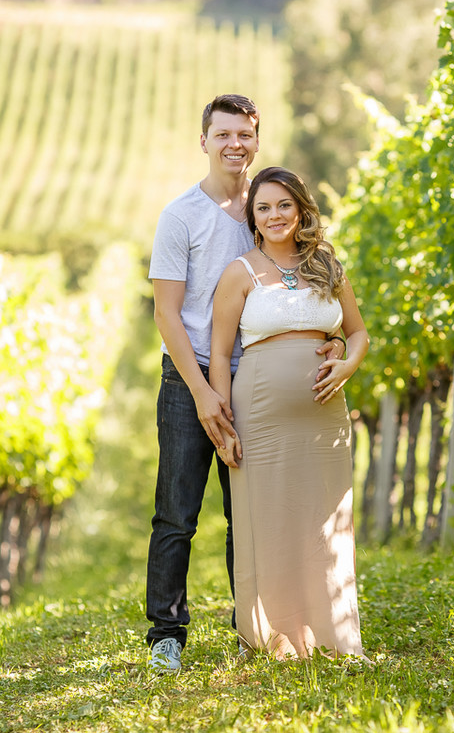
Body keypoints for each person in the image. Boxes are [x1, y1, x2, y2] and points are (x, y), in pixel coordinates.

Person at [145, 97, 345, 672]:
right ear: (203, 140)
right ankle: (166, 634)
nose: (236, 144)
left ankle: (253, 628)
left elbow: (303, 287)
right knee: (178, 512)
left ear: (257, 141)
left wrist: (325, 339)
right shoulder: (180, 216)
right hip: (191, 379)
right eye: (224, 134)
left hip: (254, 382)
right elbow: (166, 314)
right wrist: (205, 392)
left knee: (252, 512)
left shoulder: (269, 206)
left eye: (245, 135)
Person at [208, 165, 370, 660]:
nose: (275, 215)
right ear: (253, 218)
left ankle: (335, 633)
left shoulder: (326, 264)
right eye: (263, 208)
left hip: (326, 415)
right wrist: (223, 425)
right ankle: (276, 639)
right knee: (270, 517)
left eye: (284, 204)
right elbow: (218, 354)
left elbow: (358, 332)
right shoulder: (241, 272)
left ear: (300, 208)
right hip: (260, 414)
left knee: (326, 518)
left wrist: (346, 364)